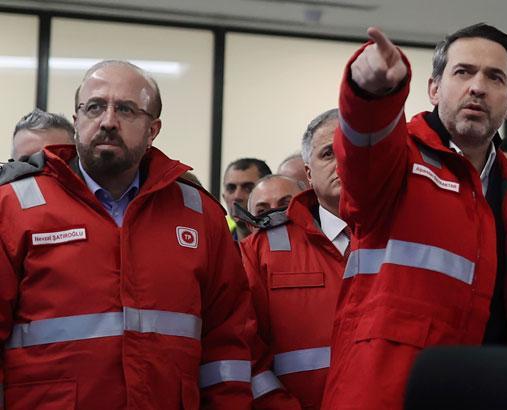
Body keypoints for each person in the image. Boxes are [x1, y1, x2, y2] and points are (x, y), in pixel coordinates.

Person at [323, 24, 507, 409]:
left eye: (494, 77)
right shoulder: (397, 161)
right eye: (463, 72)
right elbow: (364, 143)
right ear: (433, 88)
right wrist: (370, 93)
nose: (477, 87)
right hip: (389, 397)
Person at [0, 60, 255, 409]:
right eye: (94, 107)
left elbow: (227, 346)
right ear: (76, 121)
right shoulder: (14, 206)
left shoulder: (200, 215)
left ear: (153, 130)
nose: (108, 121)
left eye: (125, 109)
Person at [243, 109, 346, 409]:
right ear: (309, 174)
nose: (343, 160)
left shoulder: (408, 239)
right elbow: (245, 350)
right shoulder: (260, 251)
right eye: (328, 153)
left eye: (353, 148)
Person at [222, 157, 272, 239]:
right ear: (224, 197)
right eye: (231, 188)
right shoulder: (217, 245)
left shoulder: (286, 243)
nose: (237, 196)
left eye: (248, 188)